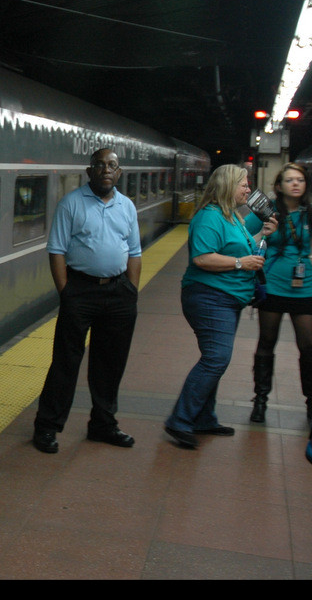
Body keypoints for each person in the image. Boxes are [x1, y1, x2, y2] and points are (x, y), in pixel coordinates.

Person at [32, 148, 142, 454]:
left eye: (112, 165)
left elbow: (134, 251)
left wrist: (131, 291)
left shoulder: (127, 207)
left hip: (119, 292)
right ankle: (47, 426)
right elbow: (56, 250)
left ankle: (103, 425)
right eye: (100, 165)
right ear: (89, 170)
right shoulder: (71, 204)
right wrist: (66, 292)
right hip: (80, 290)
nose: (106, 170)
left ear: (119, 173)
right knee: (66, 361)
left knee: (110, 362)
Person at [164, 164, 278, 448]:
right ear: (227, 185)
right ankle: (180, 421)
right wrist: (241, 263)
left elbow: (244, 249)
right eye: (243, 184)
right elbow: (202, 258)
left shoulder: (232, 217)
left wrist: (263, 234)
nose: (248, 190)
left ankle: (203, 418)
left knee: (214, 359)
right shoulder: (209, 217)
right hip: (209, 297)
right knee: (216, 359)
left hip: (229, 298)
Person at [243, 162, 312, 425]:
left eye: (300, 180)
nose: (295, 184)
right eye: (290, 180)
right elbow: (241, 235)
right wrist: (263, 232)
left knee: (308, 346)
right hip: (272, 285)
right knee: (266, 343)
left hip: (306, 287)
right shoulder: (267, 211)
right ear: (279, 186)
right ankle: (260, 400)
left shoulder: (310, 212)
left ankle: (310, 402)